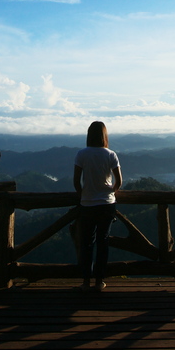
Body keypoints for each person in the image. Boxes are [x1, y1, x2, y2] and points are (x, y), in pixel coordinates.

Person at [73, 120, 122, 293]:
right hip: (106, 204)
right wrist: (111, 192)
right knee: (103, 242)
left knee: (87, 243)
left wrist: (83, 195)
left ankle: (86, 281)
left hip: (87, 205)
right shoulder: (111, 154)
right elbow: (119, 181)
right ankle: (99, 281)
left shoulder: (82, 154)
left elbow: (76, 181)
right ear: (104, 135)